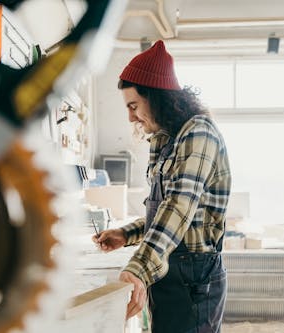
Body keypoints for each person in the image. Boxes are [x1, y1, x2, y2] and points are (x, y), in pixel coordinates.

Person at [92, 40, 231, 333]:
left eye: (134, 105)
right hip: (170, 272)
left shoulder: (198, 134)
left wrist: (138, 268)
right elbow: (164, 214)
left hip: (194, 282)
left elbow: (178, 208)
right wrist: (125, 234)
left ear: (156, 98)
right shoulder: (167, 140)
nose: (130, 116)